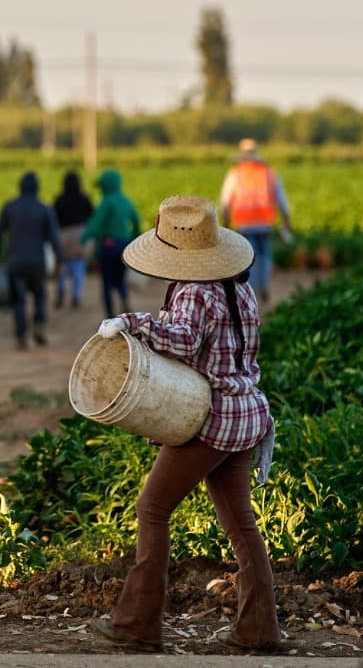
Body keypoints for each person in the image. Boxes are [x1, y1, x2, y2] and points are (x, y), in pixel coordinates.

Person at [90, 194, 281, 653]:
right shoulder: (238, 285)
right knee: (241, 524)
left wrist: (131, 323)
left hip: (211, 417)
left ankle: (138, 625)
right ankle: (259, 630)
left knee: (153, 509)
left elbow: (182, 340)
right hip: (246, 413)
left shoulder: (196, 291)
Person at [0, 171, 62, 349]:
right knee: (39, 295)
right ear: (37, 188)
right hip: (37, 261)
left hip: (15, 261)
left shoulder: (9, 207)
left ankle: (21, 334)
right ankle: (39, 324)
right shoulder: (44, 209)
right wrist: (59, 260)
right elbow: (54, 237)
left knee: (19, 299)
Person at [219, 139, 294, 305]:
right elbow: (282, 200)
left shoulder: (236, 173)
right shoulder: (269, 173)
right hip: (265, 223)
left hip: (244, 224)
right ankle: (264, 286)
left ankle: (252, 294)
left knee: (249, 259)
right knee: (265, 255)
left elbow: (225, 201)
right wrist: (286, 221)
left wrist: (225, 222)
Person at [80, 169, 141, 317]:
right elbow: (136, 222)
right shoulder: (126, 201)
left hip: (108, 246)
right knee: (119, 279)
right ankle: (124, 300)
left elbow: (96, 224)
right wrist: (135, 239)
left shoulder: (106, 202)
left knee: (107, 282)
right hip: (124, 246)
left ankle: (110, 314)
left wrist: (84, 238)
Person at [52, 170, 94, 309]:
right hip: (81, 234)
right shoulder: (85, 198)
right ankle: (76, 296)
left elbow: (53, 219)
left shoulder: (59, 199)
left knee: (63, 265)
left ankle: (61, 290)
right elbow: (92, 216)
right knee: (78, 266)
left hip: (63, 235)